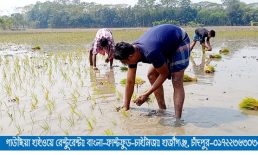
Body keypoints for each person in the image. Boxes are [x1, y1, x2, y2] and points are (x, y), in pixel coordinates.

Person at [114, 24, 191, 123]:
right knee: (151, 75)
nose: (124, 64)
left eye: (124, 62)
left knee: (176, 80)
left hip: (179, 40)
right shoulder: (132, 51)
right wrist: (126, 106)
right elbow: (130, 82)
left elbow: (164, 74)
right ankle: (162, 109)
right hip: (164, 45)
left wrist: (146, 94)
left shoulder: (150, 52)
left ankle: (177, 119)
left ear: (130, 56)